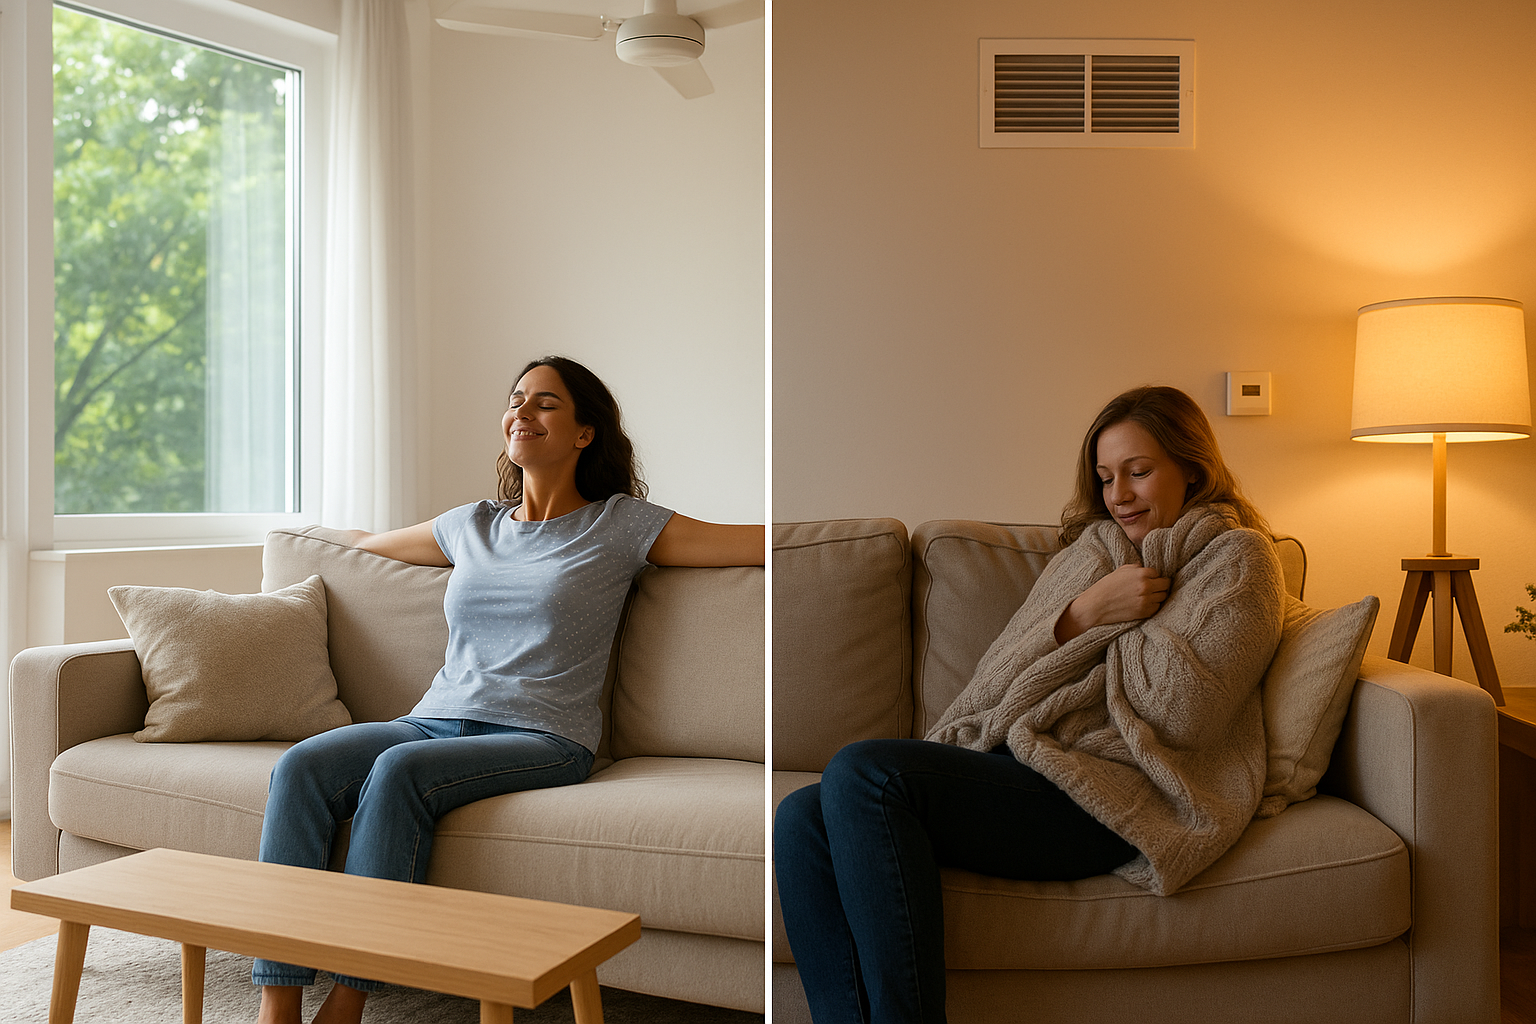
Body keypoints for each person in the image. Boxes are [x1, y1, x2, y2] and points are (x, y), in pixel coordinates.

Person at [254, 356, 764, 1024]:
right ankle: (278, 1002)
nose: (522, 413)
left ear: (585, 432)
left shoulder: (622, 524)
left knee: (399, 771)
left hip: (544, 736)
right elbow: (364, 545)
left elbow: (756, 541)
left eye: (545, 403)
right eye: (517, 400)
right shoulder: (473, 526)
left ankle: (350, 998)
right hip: (434, 720)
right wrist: (306, 539)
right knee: (302, 765)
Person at [773, 385, 1286, 1024]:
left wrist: (1122, 617)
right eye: (1105, 478)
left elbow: (1180, 711)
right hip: (1030, 767)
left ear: (1194, 468)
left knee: (864, 772)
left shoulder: (1241, 559)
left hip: (1116, 791)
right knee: (799, 815)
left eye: (1139, 471)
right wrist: (1082, 614)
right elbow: (996, 679)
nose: (1119, 495)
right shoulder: (1092, 556)